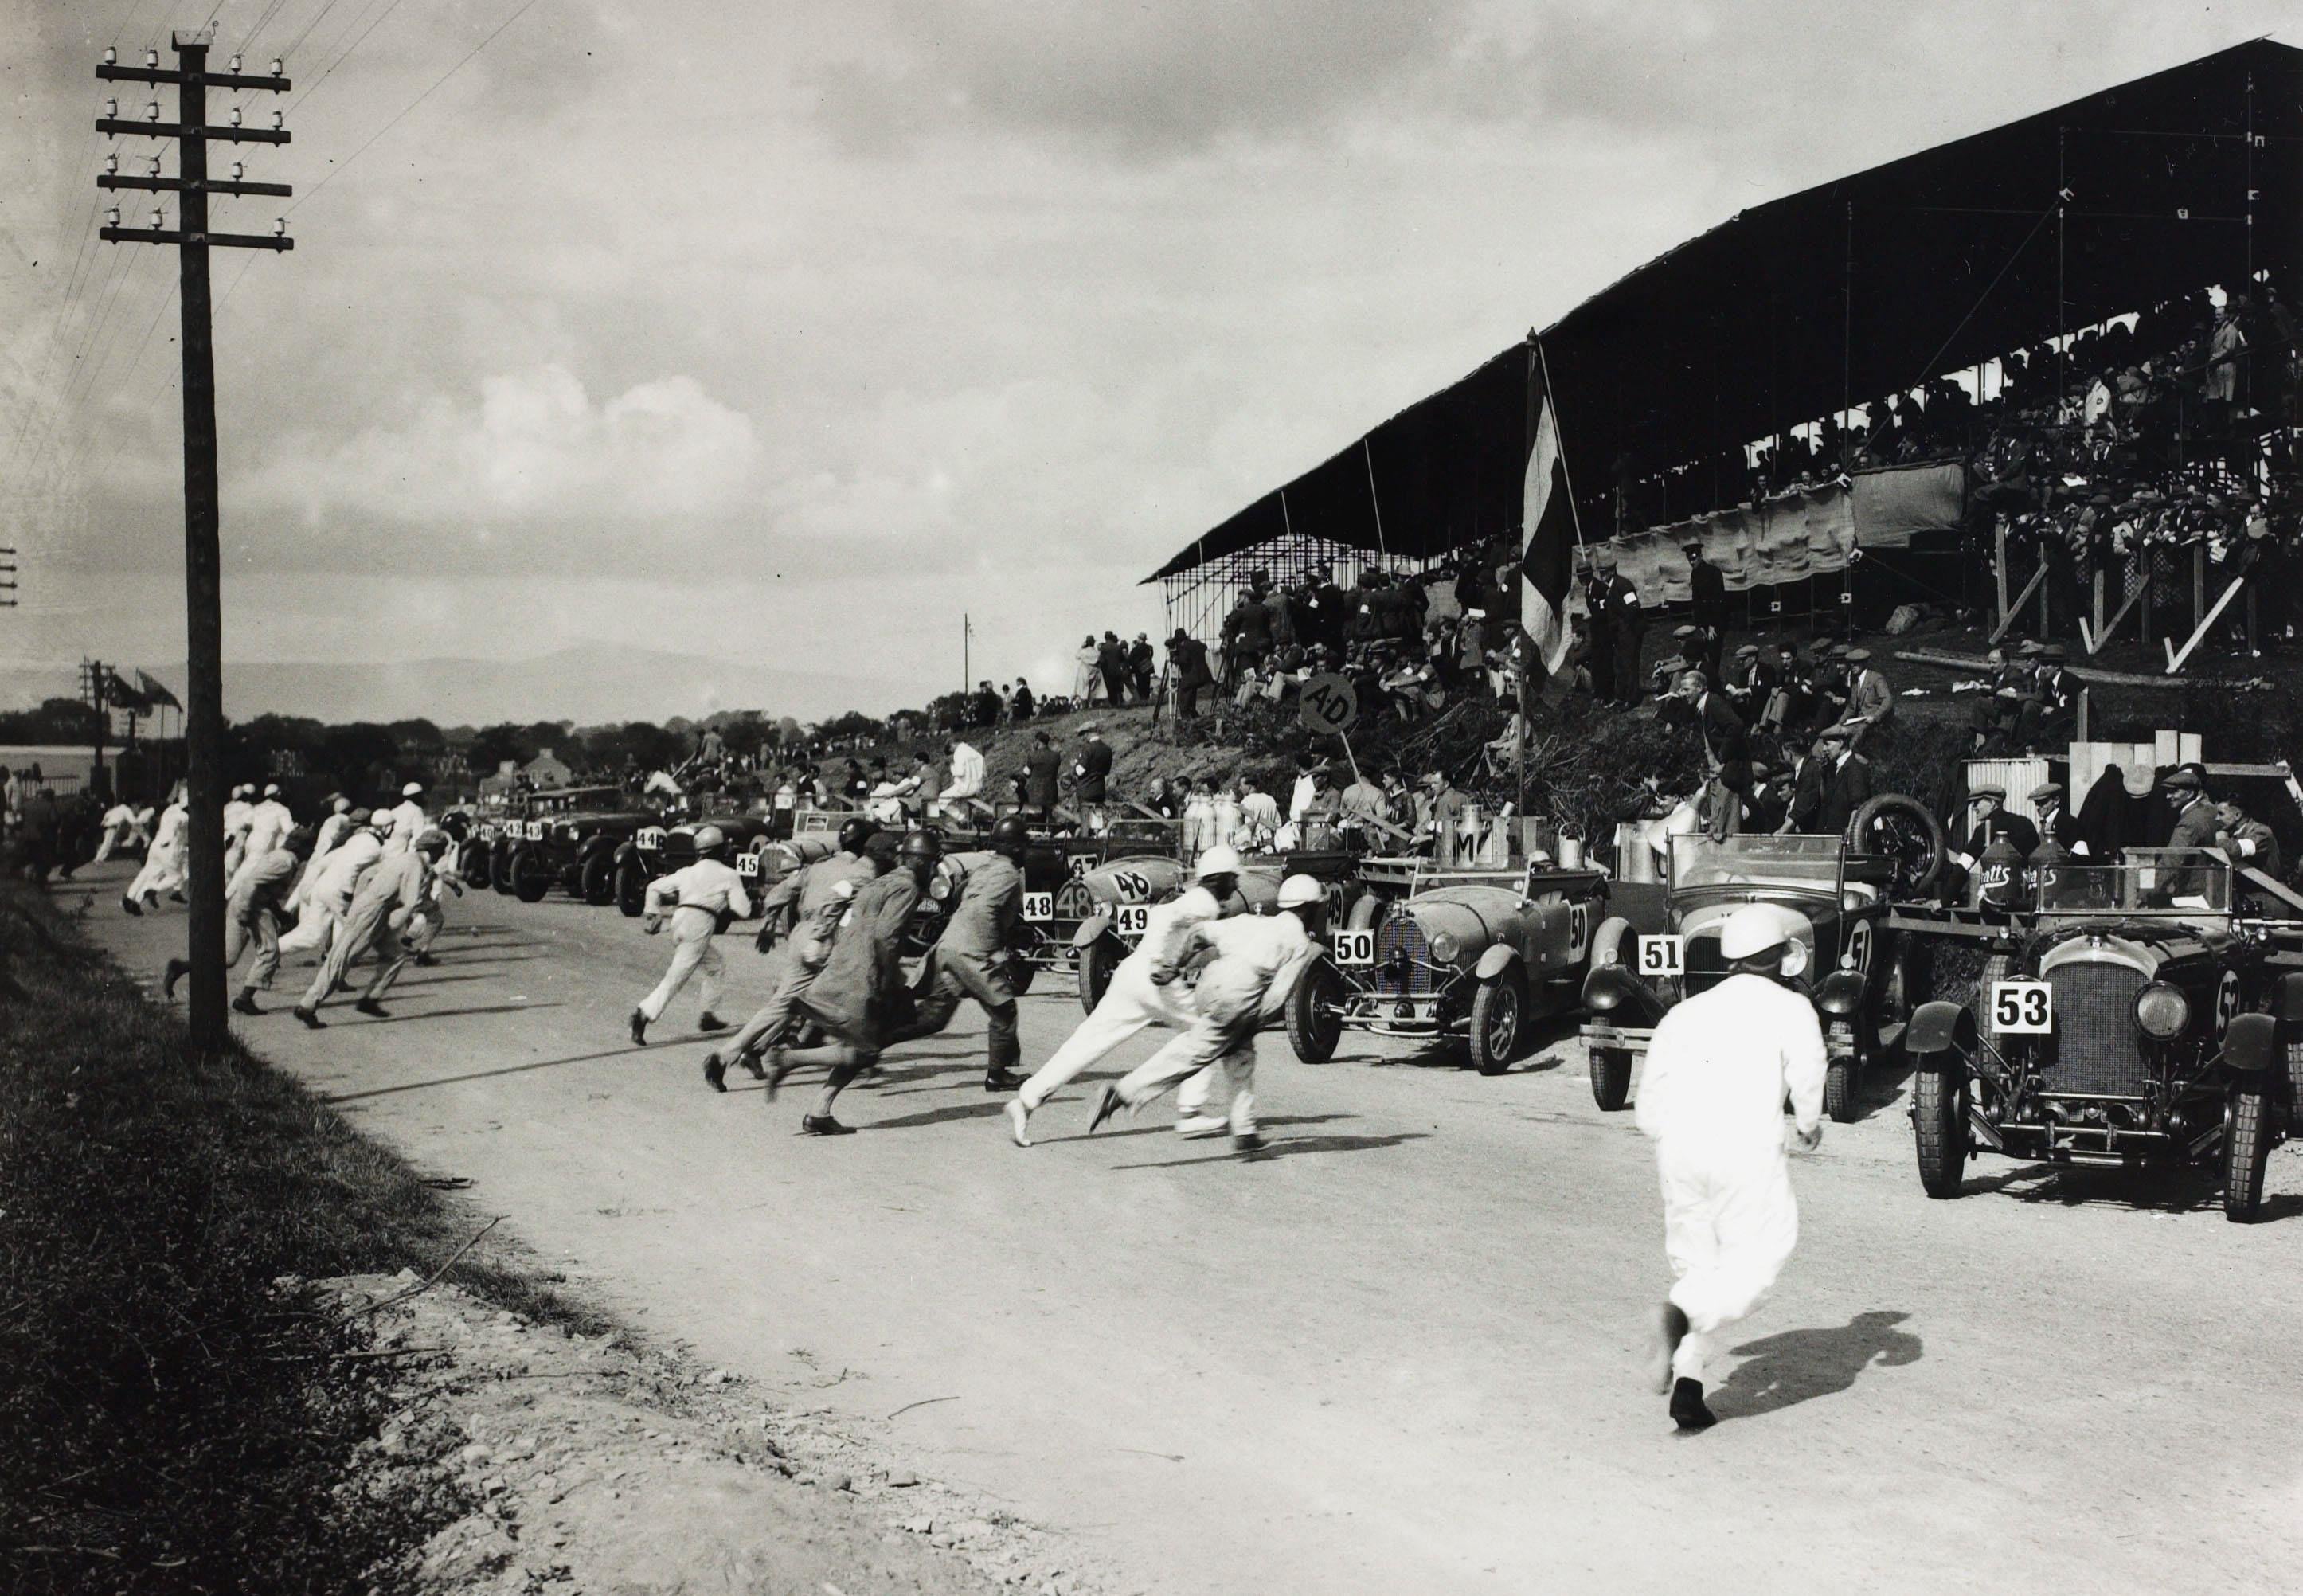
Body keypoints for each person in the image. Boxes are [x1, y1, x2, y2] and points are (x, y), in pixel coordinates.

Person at [1637, 903, 1827, 1433]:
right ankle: (1675, 1316)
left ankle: (1689, 1388)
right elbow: (1810, 1073)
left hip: (1680, 1151)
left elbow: (1649, 1105)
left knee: (1700, 1269)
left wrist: (1670, 1137)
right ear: (1778, 960)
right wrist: (1808, 1122)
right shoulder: (1792, 1010)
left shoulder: (1686, 1012)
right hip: (1745, 1154)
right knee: (1757, 1264)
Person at [1007, 846, 1245, 1145]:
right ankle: (1190, 1112)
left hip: (1131, 974)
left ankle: (1026, 1101)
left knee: (1088, 1041)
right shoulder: (1205, 902)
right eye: (1232, 879)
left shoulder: (1198, 899)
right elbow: (1162, 916)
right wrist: (1163, 962)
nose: (1235, 887)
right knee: (1205, 1034)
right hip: (1156, 980)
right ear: (1218, 878)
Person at [1089, 873, 1327, 1154]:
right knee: (1193, 1054)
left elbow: (1199, 934)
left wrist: (1172, 967)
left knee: (1241, 1055)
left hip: (1211, 981)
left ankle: (1245, 1130)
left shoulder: (1253, 922)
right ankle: (1122, 1093)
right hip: (1241, 993)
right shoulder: (1300, 943)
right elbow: (1279, 995)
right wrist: (1256, 1020)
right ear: (1309, 908)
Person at [768, 828, 943, 1136]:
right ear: (920, 862)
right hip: (866, 976)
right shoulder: (906, 888)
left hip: (844, 967)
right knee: (866, 1050)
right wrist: (889, 982)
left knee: (866, 1045)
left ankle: (819, 1111)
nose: (933, 870)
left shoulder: (880, 883)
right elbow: (885, 938)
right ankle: (789, 1058)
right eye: (931, 863)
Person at [704, 817, 882, 1090]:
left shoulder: (818, 866)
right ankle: (859, 1057)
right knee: (846, 999)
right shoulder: (862, 872)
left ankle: (730, 1054)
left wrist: (769, 924)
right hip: (826, 938)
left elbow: (778, 892)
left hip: (801, 935)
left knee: (786, 1003)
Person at [882, 815, 1029, 1092]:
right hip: (972, 952)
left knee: (934, 1017)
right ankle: (998, 1075)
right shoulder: (1009, 874)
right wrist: (993, 949)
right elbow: (988, 910)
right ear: (1016, 847)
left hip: (950, 945)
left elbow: (960, 894)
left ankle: (875, 1039)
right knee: (1005, 1010)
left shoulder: (986, 868)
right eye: (1023, 844)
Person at [293, 827, 448, 1027]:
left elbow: (367, 875)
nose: (443, 855)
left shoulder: (404, 858)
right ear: (434, 850)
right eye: (442, 850)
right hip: (375, 911)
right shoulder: (415, 865)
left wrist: (360, 901)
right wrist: (401, 923)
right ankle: (307, 1006)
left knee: (395, 955)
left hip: (373, 907)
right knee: (343, 957)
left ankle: (370, 999)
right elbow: (411, 901)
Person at [161, 825, 315, 1015]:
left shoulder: (279, 856)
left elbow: (264, 887)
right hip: (252, 906)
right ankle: (245, 999)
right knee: (270, 952)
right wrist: (247, 911)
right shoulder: (286, 861)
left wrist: (279, 913)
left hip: (245, 902)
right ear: (300, 846)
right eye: (310, 847)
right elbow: (254, 884)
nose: (312, 851)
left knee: (227, 958)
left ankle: (182, 967)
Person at [628, 823, 753, 1045]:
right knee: (676, 977)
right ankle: (643, 1014)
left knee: (716, 966)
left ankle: (708, 1015)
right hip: (699, 925)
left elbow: (654, 887)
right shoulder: (729, 874)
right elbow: (743, 910)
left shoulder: (687, 872)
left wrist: (652, 912)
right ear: (720, 850)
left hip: (680, 921)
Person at [278, 808, 384, 960]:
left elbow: (323, 864)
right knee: (347, 932)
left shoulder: (349, 841)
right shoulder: (369, 845)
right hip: (337, 890)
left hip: (321, 887)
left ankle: (272, 949)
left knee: (312, 935)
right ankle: (335, 969)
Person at [122, 785, 190, 913]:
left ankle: (131, 898)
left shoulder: (170, 809)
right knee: (176, 877)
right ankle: (151, 889)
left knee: (147, 872)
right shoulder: (186, 817)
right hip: (170, 849)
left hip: (156, 846)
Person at [1072, 725, 1113, 831]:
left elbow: (1079, 771)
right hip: (1099, 790)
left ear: (1088, 733)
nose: (1083, 738)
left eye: (1083, 735)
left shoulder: (1088, 748)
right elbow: (1107, 771)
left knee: (1085, 824)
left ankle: (1085, 843)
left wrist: (1075, 765)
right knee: (1097, 821)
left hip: (1085, 790)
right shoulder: (1107, 749)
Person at [1021, 730, 1061, 818]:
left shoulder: (1032, 755)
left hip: (1035, 794)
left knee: (1034, 818)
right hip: (1051, 793)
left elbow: (1026, 773)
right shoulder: (1056, 756)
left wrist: (1034, 752)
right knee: (1048, 816)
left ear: (1038, 742)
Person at [221, 784, 255, 881]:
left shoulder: (227, 806)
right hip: (237, 838)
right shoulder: (248, 808)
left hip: (225, 835)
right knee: (230, 868)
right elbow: (247, 824)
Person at [944, 737, 985, 808]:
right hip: (978, 784)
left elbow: (960, 772)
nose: (952, 754)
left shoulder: (958, 753)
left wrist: (952, 766)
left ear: (952, 746)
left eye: (951, 752)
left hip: (966, 787)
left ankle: (962, 818)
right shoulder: (970, 750)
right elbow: (982, 761)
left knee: (942, 799)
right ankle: (968, 815)